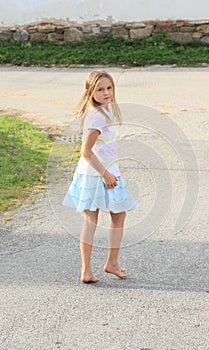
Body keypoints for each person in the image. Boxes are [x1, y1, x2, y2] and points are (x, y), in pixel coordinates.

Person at [63, 70, 137, 283]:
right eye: (100, 89)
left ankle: (88, 270)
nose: (106, 93)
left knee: (94, 220)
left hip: (92, 174)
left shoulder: (102, 112)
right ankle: (109, 263)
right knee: (116, 216)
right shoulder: (97, 116)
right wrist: (105, 173)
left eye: (109, 88)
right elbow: (86, 151)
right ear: (89, 92)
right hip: (101, 174)